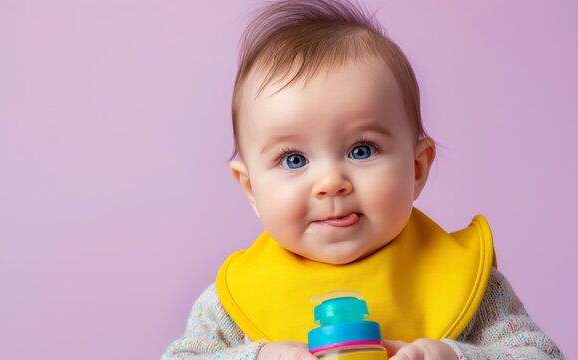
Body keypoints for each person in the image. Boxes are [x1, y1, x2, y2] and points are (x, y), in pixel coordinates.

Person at [162, 0, 565, 359]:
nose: (331, 182)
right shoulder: (232, 302)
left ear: (417, 168)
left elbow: (540, 354)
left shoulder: (465, 281)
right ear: (251, 188)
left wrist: (452, 355)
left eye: (361, 150)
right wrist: (259, 356)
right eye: (294, 159)